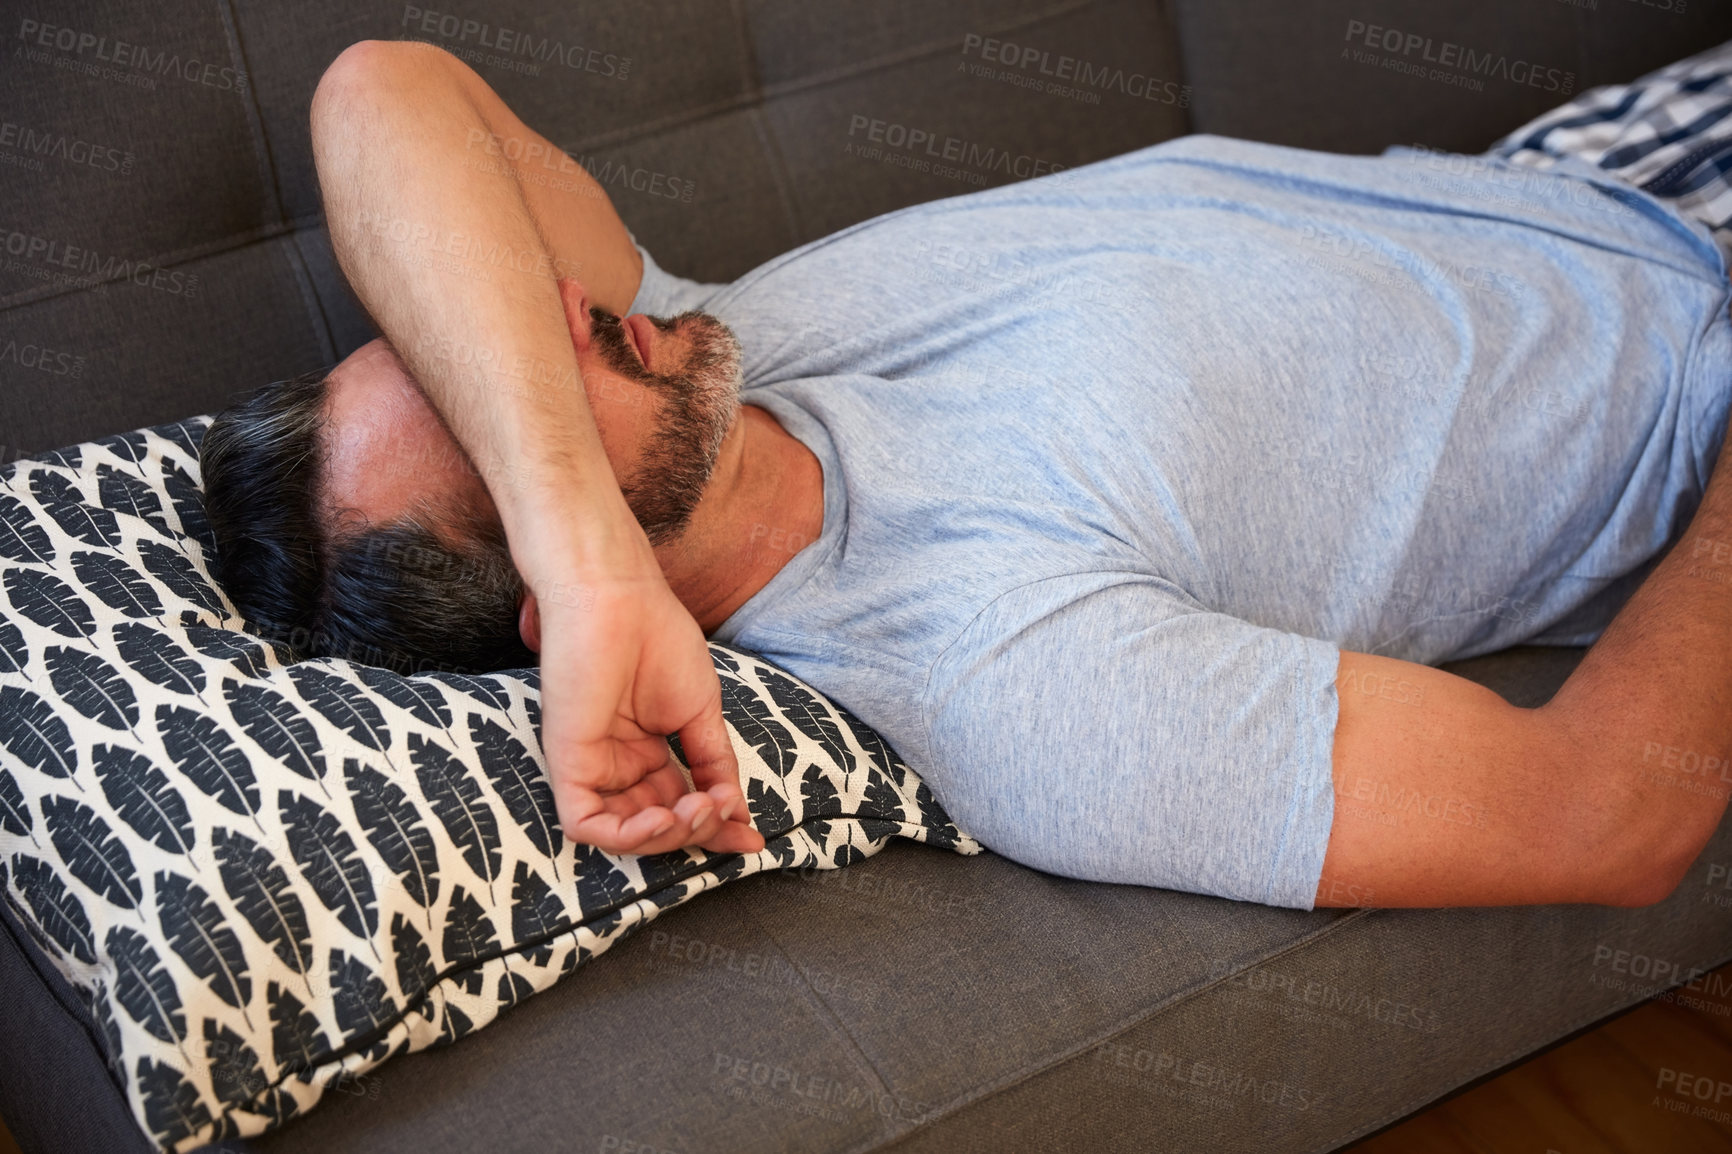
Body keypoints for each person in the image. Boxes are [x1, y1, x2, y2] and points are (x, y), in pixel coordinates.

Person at [199, 36, 1732, 911]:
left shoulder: (707, 341)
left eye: (472, 340)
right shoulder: (1006, 676)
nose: (533, 316)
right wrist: (586, 551)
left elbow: (379, 90)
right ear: (551, 607)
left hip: (1594, 170)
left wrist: (577, 534)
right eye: (501, 402)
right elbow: (1599, 816)